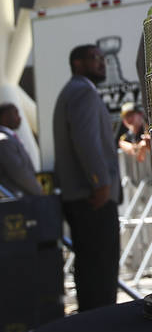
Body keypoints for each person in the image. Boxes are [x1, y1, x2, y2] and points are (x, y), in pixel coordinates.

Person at [54, 44, 121, 311]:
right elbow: (86, 141)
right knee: (100, 271)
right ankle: (101, 329)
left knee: (93, 269)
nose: (102, 63)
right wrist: (100, 183)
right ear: (77, 64)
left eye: (103, 58)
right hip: (92, 198)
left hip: (84, 197)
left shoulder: (76, 90)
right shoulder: (82, 91)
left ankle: (93, 325)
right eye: (95, 58)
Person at [0, 103, 43, 196]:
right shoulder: (3, 139)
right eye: (15, 114)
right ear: (4, 117)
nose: (19, 118)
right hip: (17, 197)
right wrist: (38, 191)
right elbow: (18, 171)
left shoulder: (9, 137)